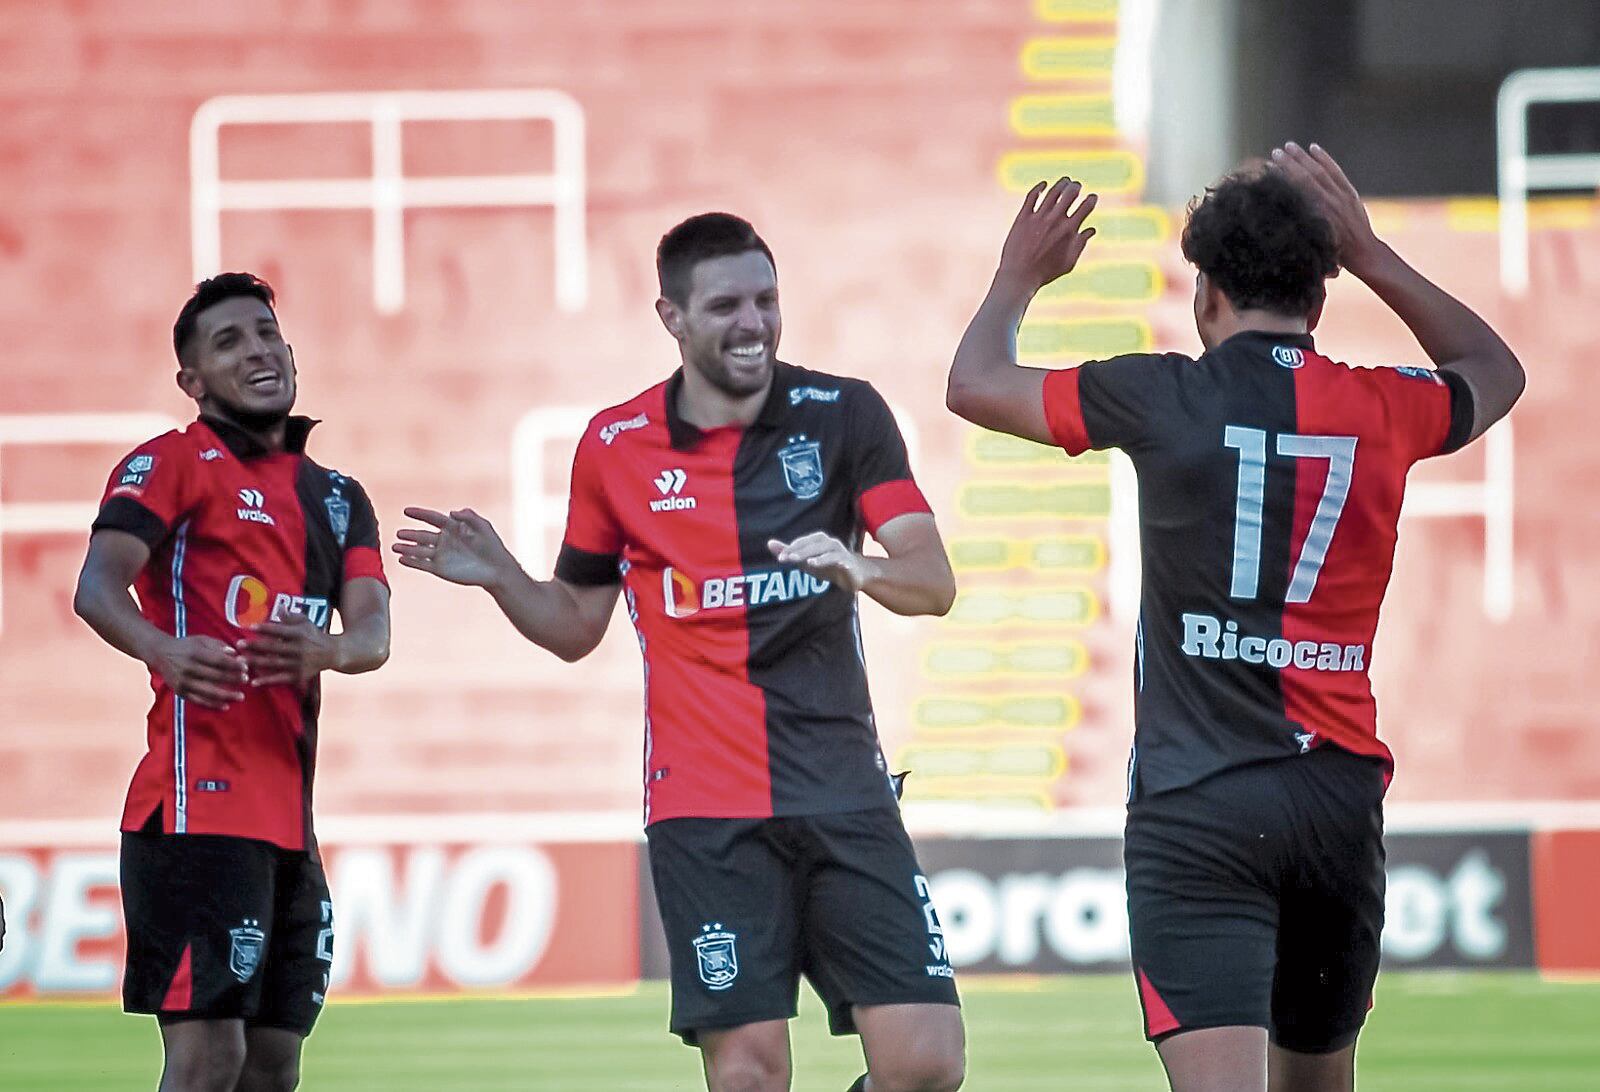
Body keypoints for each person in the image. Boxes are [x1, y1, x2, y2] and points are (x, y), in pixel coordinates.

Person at [944, 144, 1524, 1092]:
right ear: (1320, 299)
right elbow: (1495, 371)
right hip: (1334, 802)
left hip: (1199, 805)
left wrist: (1018, 278)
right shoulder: (1385, 405)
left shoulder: (1158, 393)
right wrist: (1372, 252)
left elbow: (974, 383)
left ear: (1206, 294)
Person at [393, 213, 965, 1092]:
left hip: (844, 786)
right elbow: (576, 626)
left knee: (926, 1065)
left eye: (767, 299)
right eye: (727, 305)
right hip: (705, 806)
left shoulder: (846, 415)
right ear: (673, 317)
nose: (754, 323)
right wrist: (503, 576)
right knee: (748, 1078)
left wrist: (861, 566)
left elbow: (932, 580)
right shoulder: (615, 446)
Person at [73, 273, 392, 1092]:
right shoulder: (171, 463)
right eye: (229, 342)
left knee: (274, 1065)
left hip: (290, 828)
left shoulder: (338, 498)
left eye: (267, 333)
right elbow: (97, 589)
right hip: (194, 812)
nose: (258, 351)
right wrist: (164, 650)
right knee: (210, 1058)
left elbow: (372, 637)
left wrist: (329, 651)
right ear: (193, 381)